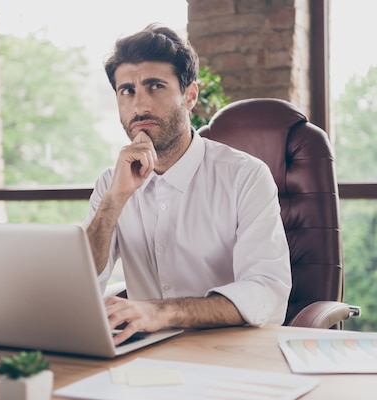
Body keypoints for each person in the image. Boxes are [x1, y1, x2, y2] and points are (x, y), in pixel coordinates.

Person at [82, 23, 291, 345]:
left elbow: (268, 293)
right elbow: (80, 283)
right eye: (127, 91)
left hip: (232, 350)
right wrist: (115, 199)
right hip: (144, 356)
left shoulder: (245, 176)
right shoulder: (111, 183)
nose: (140, 106)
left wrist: (161, 312)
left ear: (190, 95)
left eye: (155, 86)